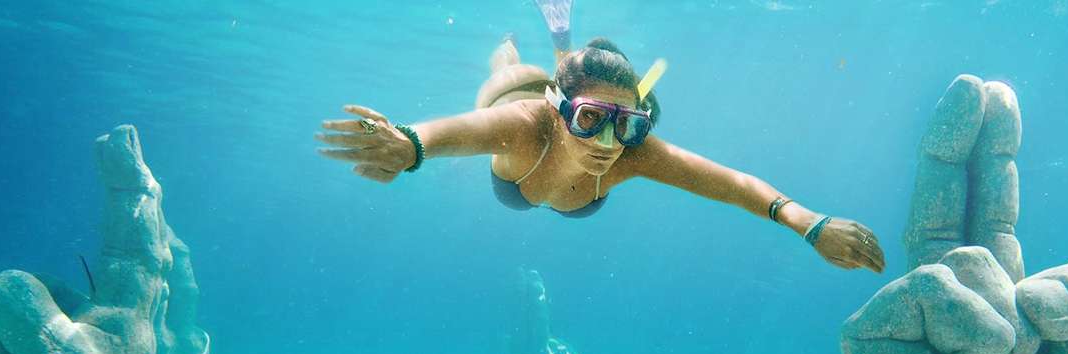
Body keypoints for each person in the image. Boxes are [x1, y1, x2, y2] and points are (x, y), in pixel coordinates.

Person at [315, 1, 886, 274]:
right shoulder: (522, 127)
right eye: (591, 121)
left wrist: (809, 224)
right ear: (561, 111)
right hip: (518, 94)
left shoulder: (633, 154)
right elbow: (450, 133)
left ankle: (564, 41)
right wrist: (406, 146)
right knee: (498, 78)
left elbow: (731, 184)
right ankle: (520, 50)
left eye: (629, 123)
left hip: (561, 102)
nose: (611, 143)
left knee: (594, 96)